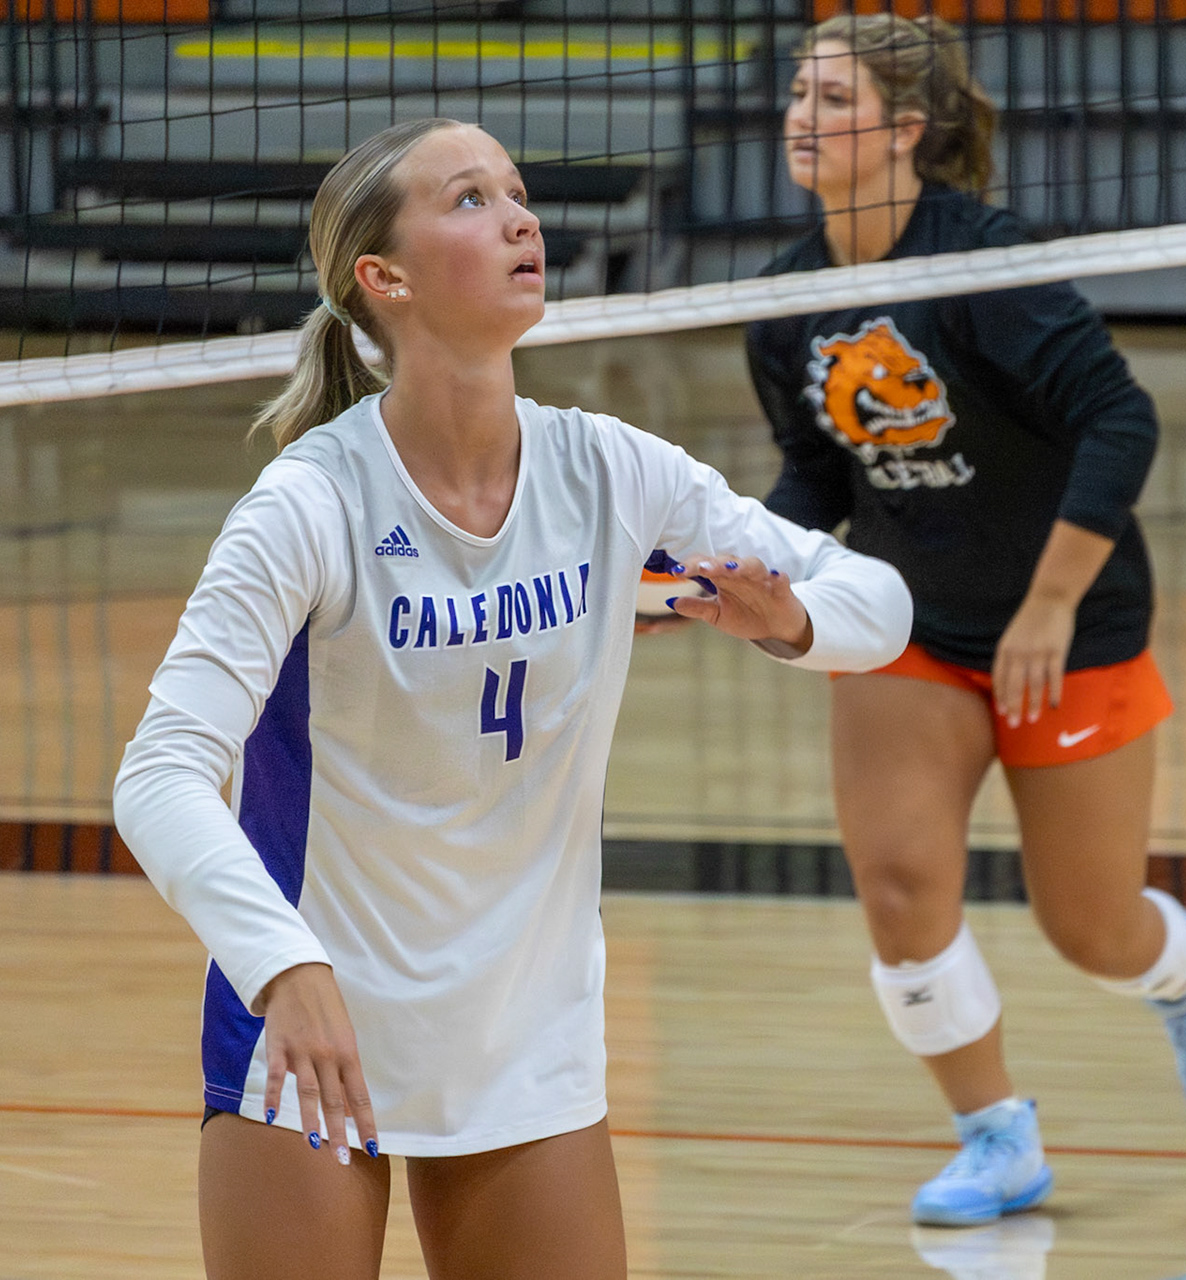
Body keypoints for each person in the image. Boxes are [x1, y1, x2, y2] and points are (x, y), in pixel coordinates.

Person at [112, 117, 910, 1280]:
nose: (521, 217)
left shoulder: (608, 470)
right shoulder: (309, 507)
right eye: (471, 199)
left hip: (520, 1028)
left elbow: (876, 601)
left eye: (518, 192)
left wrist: (789, 621)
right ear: (383, 279)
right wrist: (279, 963)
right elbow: (160, 772)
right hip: (316, 1021)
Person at [745, 14, 1186, 1229]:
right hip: (910, 618)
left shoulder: (981, 265)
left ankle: (1182, 968)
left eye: (832, 101)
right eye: (798, 97)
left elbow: (1120, 421)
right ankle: (997, 1137)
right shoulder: (782, 301)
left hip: (1066, 620)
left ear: (905, 131)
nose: (801, 121)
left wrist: (1048, 604)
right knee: (900, 882)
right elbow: (817, 477)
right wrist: (750, 572)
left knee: (1089, 924)